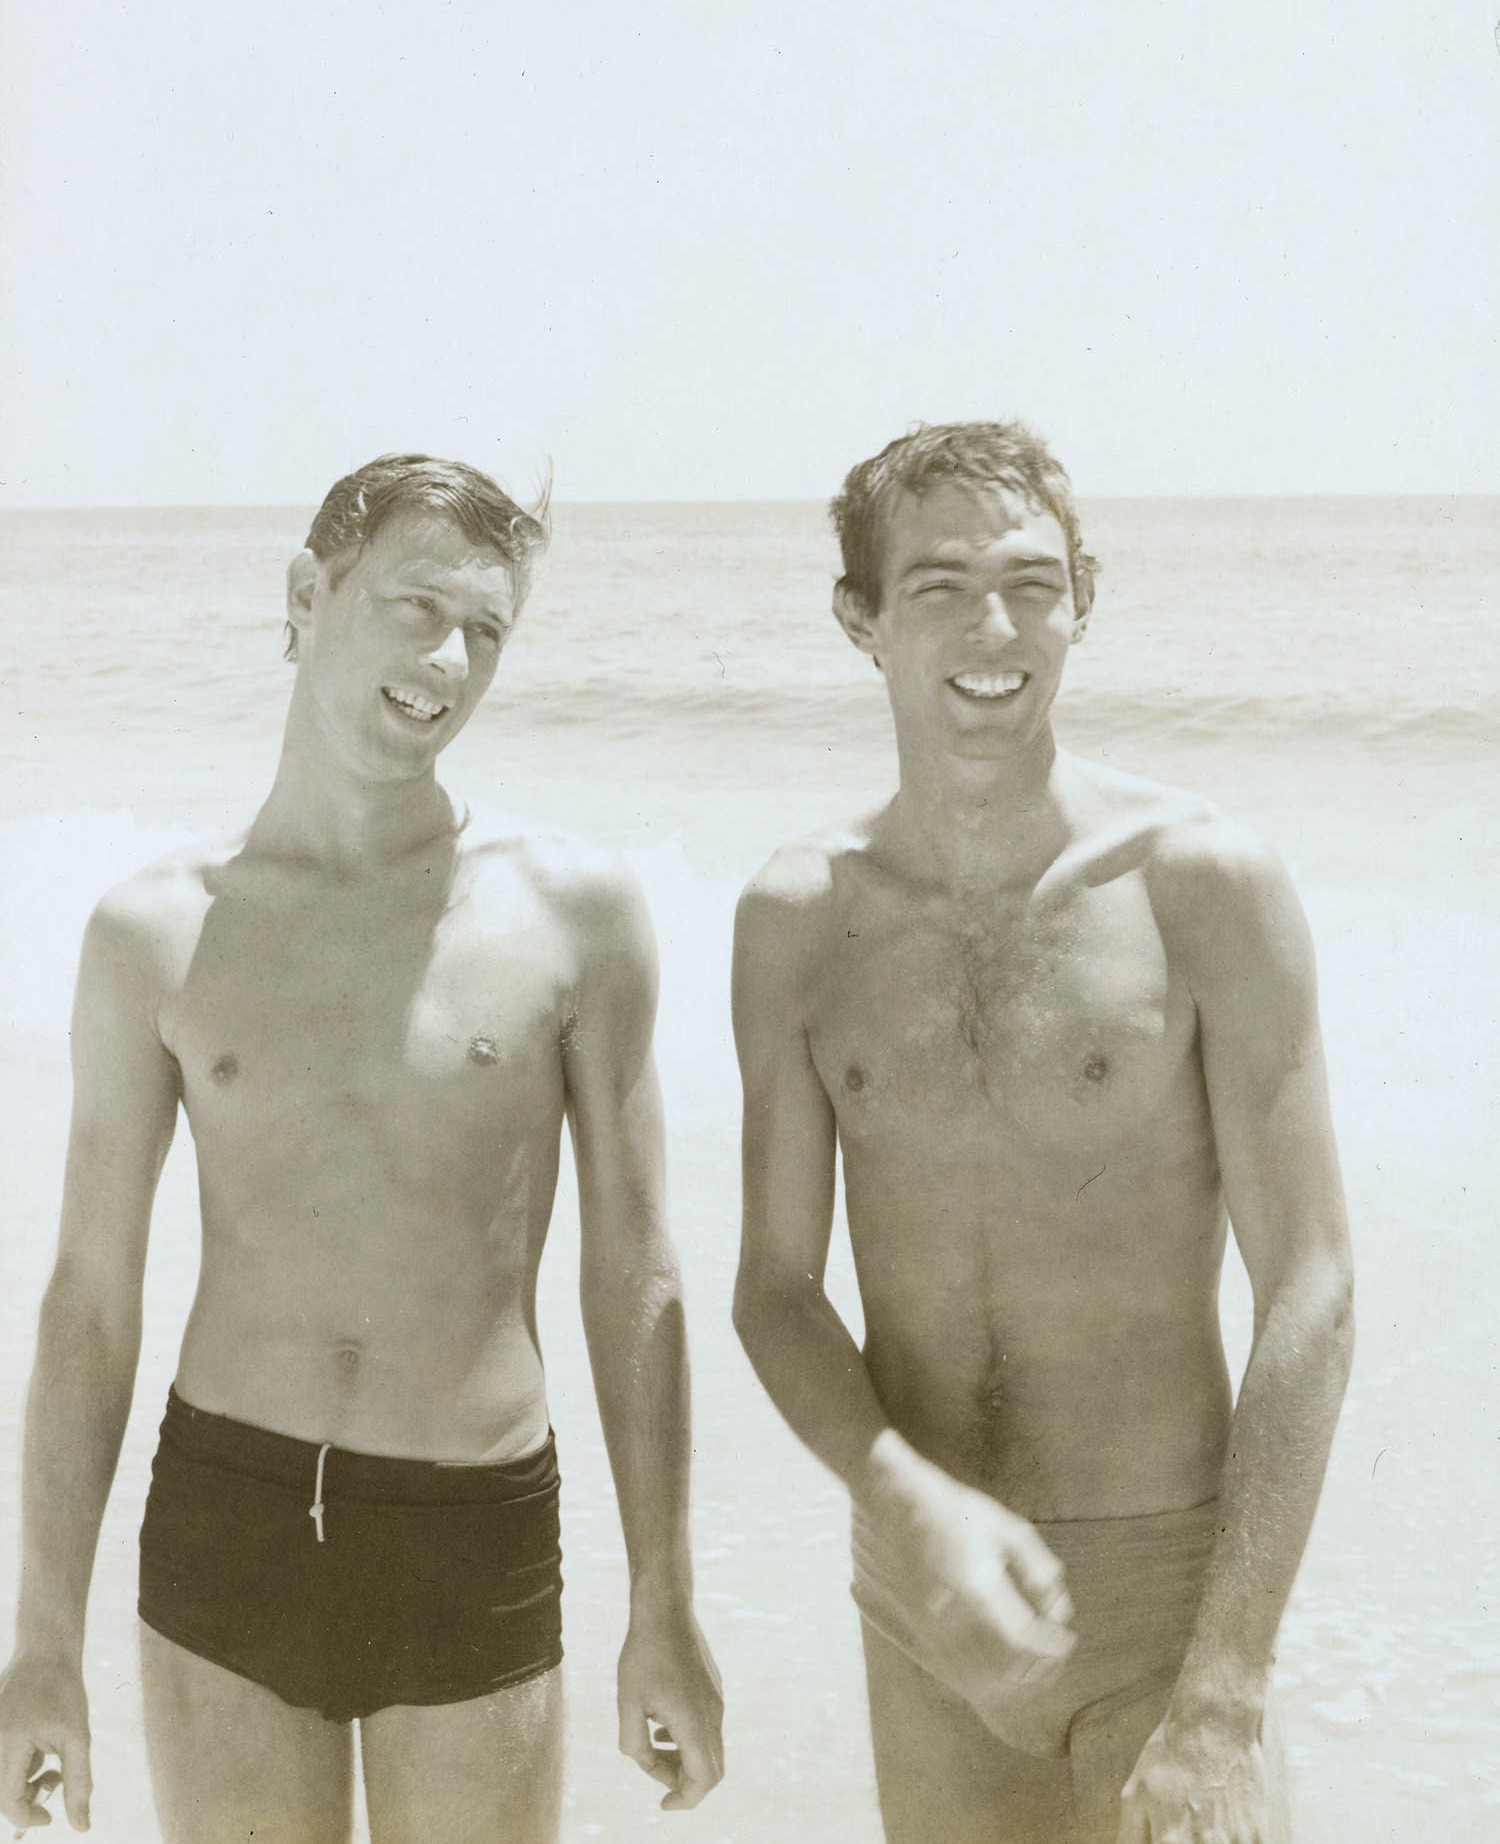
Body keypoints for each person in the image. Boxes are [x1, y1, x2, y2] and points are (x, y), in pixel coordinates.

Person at [0, 454, 723, 1842]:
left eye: (490, 632)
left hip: (472, 1527)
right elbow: (89, 1297)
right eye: (417, 607)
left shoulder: (574, 915)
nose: (449, 661)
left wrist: (667, 1604)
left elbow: (636, 1274)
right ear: (307, 593)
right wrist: (41, 1643)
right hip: (228, 1510)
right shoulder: (153, 933)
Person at [731, 421, 1354, 1843]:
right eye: (939, 587)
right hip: (923, 1606)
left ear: (1085, 595)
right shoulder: (798, 920)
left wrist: (1226, 1687)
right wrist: (906, 1504)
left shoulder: (1202, 883)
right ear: (862, 621)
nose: (993, 628)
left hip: (1164, 1601)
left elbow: (1311, 1289)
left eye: (1030, 581)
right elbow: (773, 1288)